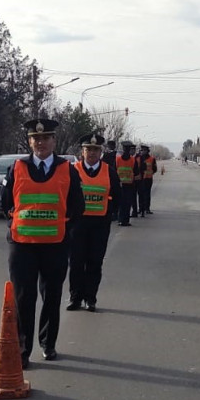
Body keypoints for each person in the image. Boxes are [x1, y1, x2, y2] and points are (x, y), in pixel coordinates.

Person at [0, 118, 85, 367]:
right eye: (36, 139)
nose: (41, 143)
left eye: (46, 138)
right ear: (30, 141)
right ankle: (23, 350)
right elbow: (5, 204)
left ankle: (48, 344)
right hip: (22, 244)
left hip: (55, 245)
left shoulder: (68, 169)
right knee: (23, 298)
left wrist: (62, 228)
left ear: (53, 141)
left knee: (51, 295)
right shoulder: (16, 167)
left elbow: (77, 207)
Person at [67, 133, 121, 313]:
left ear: (101, 152)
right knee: (75, 262)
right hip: (77, 224)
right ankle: (75, 298)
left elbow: (117, 197)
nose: (91, 153)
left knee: (94, 262)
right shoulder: (72, 170)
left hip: (99, 224)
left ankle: (90, 298)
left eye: (95, 150)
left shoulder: (109, 171)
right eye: (88, 149)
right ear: (82, 151)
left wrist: (108, 212)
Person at [114, 141, 138, 226]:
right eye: (126, 148)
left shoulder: (132, 160)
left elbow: (136, 172)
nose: (127, 150)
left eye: (128, 149)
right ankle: (122, 220)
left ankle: (124, 220)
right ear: (124, 149)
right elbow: (114, 172)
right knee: (123, 203)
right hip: (122, 186)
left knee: (125, 203)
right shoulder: (118, 159)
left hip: (128, 185)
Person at [136, 144, 159, 215]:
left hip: (148, 179)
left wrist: (150, 173)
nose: (143, 151)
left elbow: (155, 169)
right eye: (142, 150)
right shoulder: (138, 158)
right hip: (140, 179)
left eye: (145, 150)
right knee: (140, 194)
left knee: (147, 194)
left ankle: (147, 208)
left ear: (147, 151)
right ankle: (140, 208)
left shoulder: (152, 159)